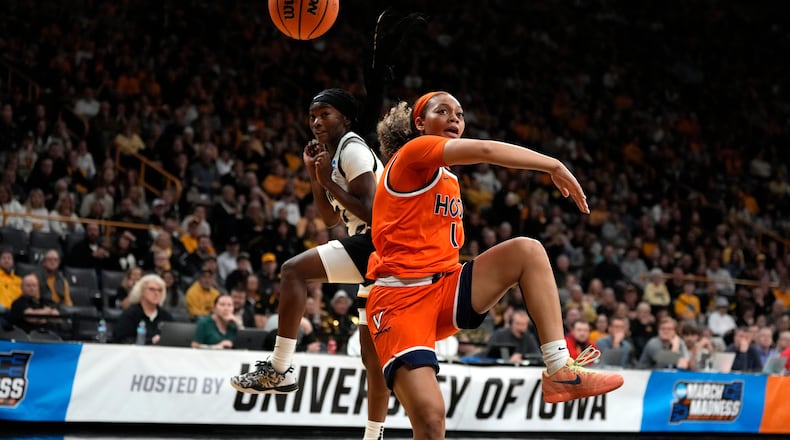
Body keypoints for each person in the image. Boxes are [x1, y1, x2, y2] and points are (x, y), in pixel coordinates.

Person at [363, 92, 623, 437]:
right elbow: (486, 151)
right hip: (400, 302)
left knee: (527, 251)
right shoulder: (412, 154)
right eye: (443, 111)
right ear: (420, 123)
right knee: (430, 418)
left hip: (444, 288)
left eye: (460, 113)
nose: (455, 118)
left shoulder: (446, 176)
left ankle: (560, 369)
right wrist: (553, 164)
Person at [229, 88, 390, 440]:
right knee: (372, 359)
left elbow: (375, 212)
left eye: (325, 114)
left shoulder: (354, 148)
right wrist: (316, 177)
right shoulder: (335, 155)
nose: (317, 122)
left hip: (380, 242)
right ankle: (374, 435)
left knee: (292, 271)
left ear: (345, 118)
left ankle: (280, 367)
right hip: (372, 250)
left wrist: (329, 180)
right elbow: (330, 218)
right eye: (313, 116)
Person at [113, 274, 173, 344]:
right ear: (141, 291)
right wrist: (150, 341)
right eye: (152, 289)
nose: (156, 293)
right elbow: (121, 340)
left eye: (160, 290)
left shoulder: (166, 316)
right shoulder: (130, 315)